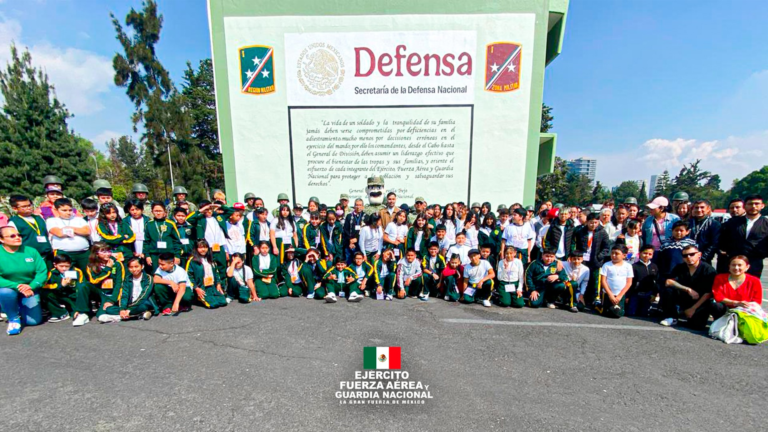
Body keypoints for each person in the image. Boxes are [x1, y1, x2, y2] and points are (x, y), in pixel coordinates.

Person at [0, 226, 46, 335]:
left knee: (33, 321)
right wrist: (18, 286)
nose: (17, 237)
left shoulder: (31, 251)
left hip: (29, 288)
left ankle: (19, 307)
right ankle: (13, 318)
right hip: (10, 288)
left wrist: (32, 286)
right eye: (12, 236)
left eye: (19, 235)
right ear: (1, 239)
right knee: (5, 292)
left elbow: (42, 272)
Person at [658, 245, 716, 329]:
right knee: (669, 290)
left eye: (692, 254)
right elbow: (668, 282)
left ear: (699, 254)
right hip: (684, 297)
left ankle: (688, 313)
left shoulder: (708, 270)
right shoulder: (680, 267)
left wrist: (693, 309)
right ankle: (671, 316)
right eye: (685, 255)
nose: (688, 257)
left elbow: (708, 293)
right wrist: (687, 289)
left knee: (696, 326)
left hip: (700, 301)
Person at [72, 242, 126, 327]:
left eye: (109, 251)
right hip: (98, 291)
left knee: (101, 316)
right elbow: (94, 280)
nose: (107, 253)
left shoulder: (117, 264)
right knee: (82, 284)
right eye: (103, 251)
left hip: (110, 293)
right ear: (96, 253)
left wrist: (112, 300)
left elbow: (120, 284)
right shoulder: (91, 265)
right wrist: (107, 269)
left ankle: (120, 315)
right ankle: (83, 313)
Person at [717, 195, 767, 277]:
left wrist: (761, 253)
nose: (753, 206)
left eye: (757, 204)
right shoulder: (732, 223)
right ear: (744, 206)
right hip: (733, 262)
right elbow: (722, 242)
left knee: (750, 287)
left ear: (762, 206)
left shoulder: (766, 224)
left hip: (754, 263)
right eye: (750, 204)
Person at [98, 256, 155, 323]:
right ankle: (136, 315)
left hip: (143, 303)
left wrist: (129, 309)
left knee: (142, 307)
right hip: (130, 304)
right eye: (131, 267)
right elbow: (124, 295)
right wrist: (122, 309)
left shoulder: (148, 278)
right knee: (109, 309)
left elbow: (144, 295)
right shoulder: (127, 279)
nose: (134, 269)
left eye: (136, 266)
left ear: (142, 266)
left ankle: (117, 317)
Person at [187, 201, 235, 279]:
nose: (209, 211)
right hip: (207, 247)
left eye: (210, 209)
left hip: (219, 246)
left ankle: (223, 285)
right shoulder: (200, 219)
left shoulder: (219, 217)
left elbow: (231, 211)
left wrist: (218, 205)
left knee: (222, 266)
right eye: (206, 209)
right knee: (209, 266)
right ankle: (213, 284)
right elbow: (189, 219)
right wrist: (201, 210)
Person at [710, 256, 763, 321]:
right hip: (725, 309)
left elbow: (757, 301)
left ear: (747, 267)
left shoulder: (755, 281)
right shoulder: (720, 278)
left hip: (744, 310)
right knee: (716, 305)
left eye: (739, 265)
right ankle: (719, 323)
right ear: (729, 266)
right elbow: (718, 297)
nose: (736, 268)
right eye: (733, 265)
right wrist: (735, 303)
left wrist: (742, 306)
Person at [573, 212, 610, 305]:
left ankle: (596, 298)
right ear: (587, 222)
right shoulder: (581, 231)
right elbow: (576, 244)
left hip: (596, 260)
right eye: (591, 222)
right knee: (582, 278)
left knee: (595, 280)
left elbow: (606, 247)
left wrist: (599, 256)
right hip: (583, 259)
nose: (593, 225)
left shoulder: (602, 232)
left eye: (596, 222)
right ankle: (579, 296)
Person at [45, 198, 91, 272]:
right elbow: (59, 233)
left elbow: (87, 231)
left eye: (70, 210)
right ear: (56, 210)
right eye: (64, 210)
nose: (68, 213)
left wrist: (69, 228)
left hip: (83, 253)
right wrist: (78, 231)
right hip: (64, 253)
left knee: (88, 274)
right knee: (68, 275)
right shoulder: (52, 220)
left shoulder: (79, 220)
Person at [8, 195, 54, 269]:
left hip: (47, 255)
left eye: (29, 205)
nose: (28, 208)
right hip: (29, 256)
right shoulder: (14, 222)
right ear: (15, 208)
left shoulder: (39, 218)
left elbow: (47, 234)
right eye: (24, 206)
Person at [185, 240, 228, 309]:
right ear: (196, 249)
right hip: (201, 288)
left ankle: (211, 296)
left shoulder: (210, 259)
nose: (203, 249)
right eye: (200, 247)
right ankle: (198, 298)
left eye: (205, 247)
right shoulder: (192, 261)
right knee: (213, 305)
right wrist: (196, 288)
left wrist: (218, 283)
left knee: (223, 302)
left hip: (212, 286)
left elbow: (216, 272)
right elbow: (188, 276)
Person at [41, 254, 81, 322]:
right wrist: (61, 285)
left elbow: (81, 287)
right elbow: (44, 286)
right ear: (55, 265)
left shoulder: (77, 271)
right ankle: (60, 313)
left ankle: (72, 309)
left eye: (67, 266)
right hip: (58, 294)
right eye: (61, 266)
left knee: (76, 314)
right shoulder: (51, 273)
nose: (64, 268)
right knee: (45, 293)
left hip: (72, 296)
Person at [596, 245, 634, 318]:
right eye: (612, 253)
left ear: (624, 255)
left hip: (620, 295)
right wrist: (610, 295)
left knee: (619, 313)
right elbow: (603, 281)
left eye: (616, 254)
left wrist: (620, 296)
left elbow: (629, 283)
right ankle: (598, 305)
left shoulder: (628, 266)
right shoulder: (606, 265)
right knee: (607, 312)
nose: (613, 255)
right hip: (608, 294)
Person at [144, 202, 182, 273]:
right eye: (156, 211)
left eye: (160, 211)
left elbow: (176, 241)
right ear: (152, 212)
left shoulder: (170, 224)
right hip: (154, 256)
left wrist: (177, 256)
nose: (158, 213)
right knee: (155, 275)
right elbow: (146, 242)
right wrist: (147, 256)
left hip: (168, 255)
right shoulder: (149, 224)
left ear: (165, 212)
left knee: (169, 275)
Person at [625, 245, 659, 317]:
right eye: (645, 253)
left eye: (650, 254)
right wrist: (627, 296)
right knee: (631, 313)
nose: (647, 255)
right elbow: (630, 282)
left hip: (648, 294)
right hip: (636, 294)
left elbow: (655, 282)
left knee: (644, 314)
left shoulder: (654, 267)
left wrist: (655, 294)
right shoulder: (634, 266)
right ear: (640, 253)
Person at [688, 200, 720, 265]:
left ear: (708, 209)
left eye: (702, 207)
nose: (699, 210)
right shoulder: (688, 223)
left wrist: (703, 258)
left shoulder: (714, 224)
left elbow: (714, 244)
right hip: (688, 258)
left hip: (704, 260)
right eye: (696, 207)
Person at [342, 199, 365, 264]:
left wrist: (357, 239)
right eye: (356, 205)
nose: (358, 207)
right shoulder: (349, 216)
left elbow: (365, 231)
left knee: (359, 261)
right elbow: (345, 230)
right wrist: (350, 241)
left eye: (360, 205)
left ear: (363, 206)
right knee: (349, 260)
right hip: (350, 243)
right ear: (354, 206)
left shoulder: (366, 217)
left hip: (361, 243)